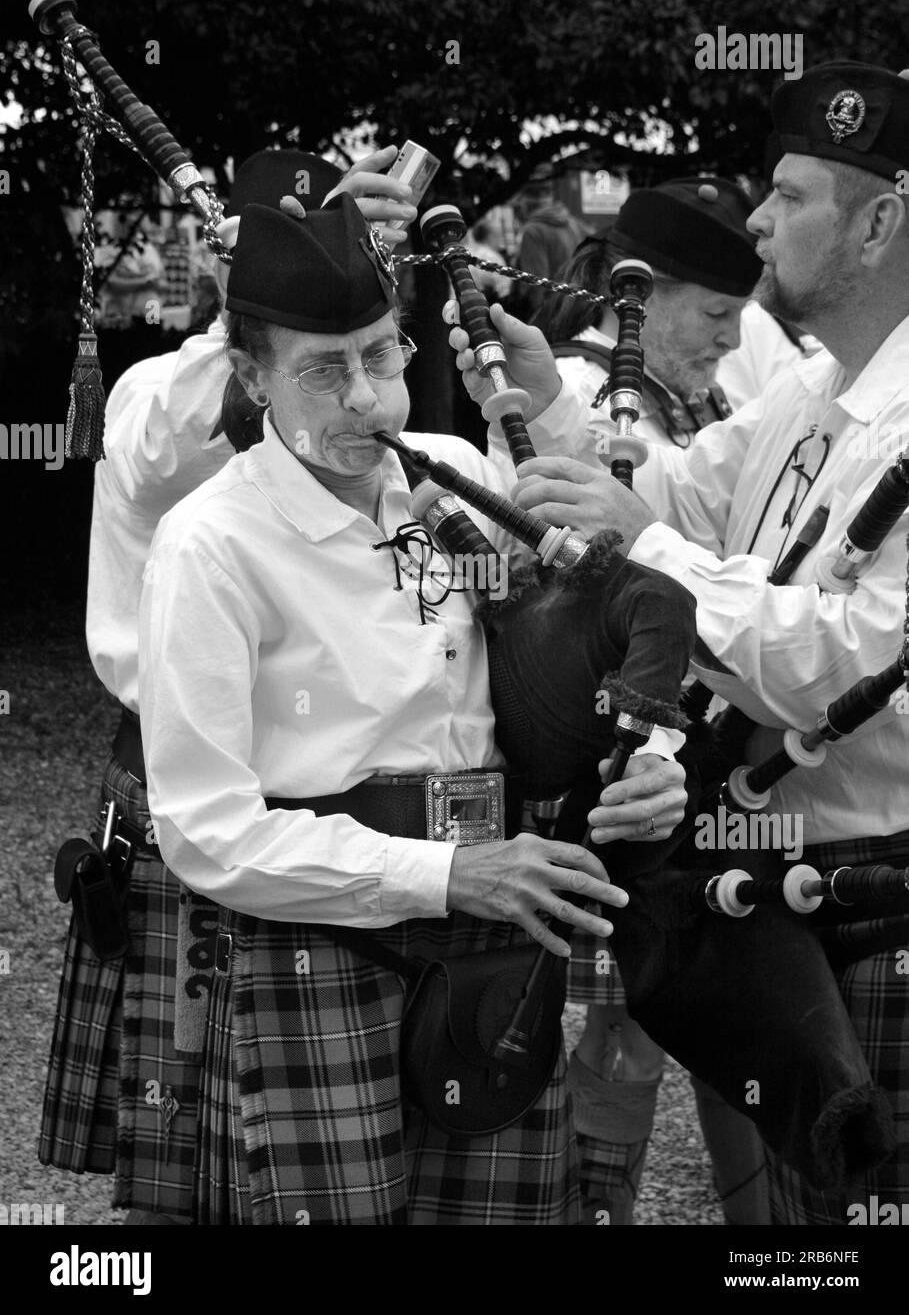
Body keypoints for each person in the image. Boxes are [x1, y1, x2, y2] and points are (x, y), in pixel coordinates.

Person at [137, 191, 688, 1225]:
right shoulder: (212, 544)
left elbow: (590, 646)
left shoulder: (466, 480)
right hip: (326, 949)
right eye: (321, 369)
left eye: (382, 356)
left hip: (495, 929)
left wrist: (652, 755)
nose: (366, 401)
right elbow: (205, 829)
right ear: (252, 379)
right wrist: (447, 872)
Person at [455, 60, 909, 1227]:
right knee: (806, 1223)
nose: (756, 222)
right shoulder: (813, 392)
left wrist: (650, 550)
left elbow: (866, 652)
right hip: (775, 883)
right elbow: (678, 496)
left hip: (884, 887)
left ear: (880, 225)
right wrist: (548, 401)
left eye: (792, 196)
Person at [39, 146, 421, 1224]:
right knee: (180, 1163)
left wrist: (348, 289)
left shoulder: (345, 395)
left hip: (315, 800)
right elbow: (182, 438)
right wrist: (268, 310)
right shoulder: (158, 393)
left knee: (284, 1164)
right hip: (183, 787)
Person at [533, 177, 809, 444]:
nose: (734, 341)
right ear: (632, 293)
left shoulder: (682, 384)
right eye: (716, 313)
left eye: (740, 313)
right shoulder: (568, 399)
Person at [511, 180, 591, 317]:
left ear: (525, 202)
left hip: (550, 313)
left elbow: (535, 282)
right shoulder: (572, 222)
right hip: (576, 308)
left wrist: (538, 320)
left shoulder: (533, 230)